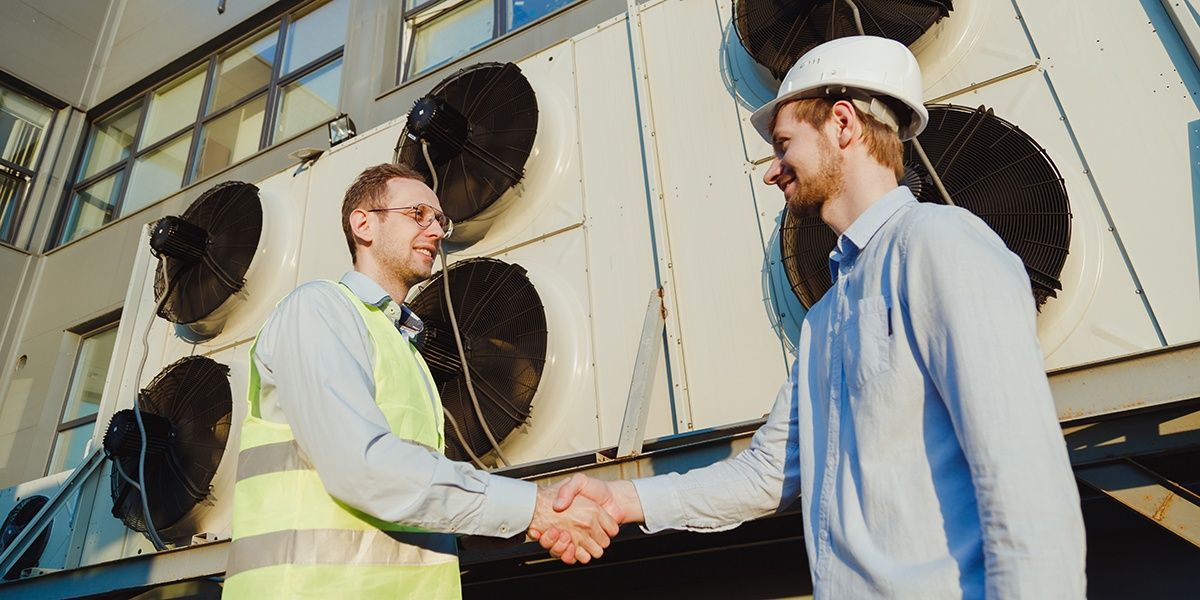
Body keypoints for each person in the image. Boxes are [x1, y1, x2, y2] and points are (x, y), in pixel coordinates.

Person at [535, 36, 1087, 598]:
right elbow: (766, 474)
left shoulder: (942, 246)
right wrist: (623, 500)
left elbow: (1026, 481)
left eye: (784, 144)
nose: (773, 171)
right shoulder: (825, 317)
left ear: (843, 124)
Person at [223, 163, 617, 599]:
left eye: (440, 220)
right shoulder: (318, 309)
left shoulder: (403, 349)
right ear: (363, 224)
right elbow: (364, 467)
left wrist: (520, 517)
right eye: (418, 213)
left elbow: (412, 499)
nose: (437, 231)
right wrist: (535, 509)